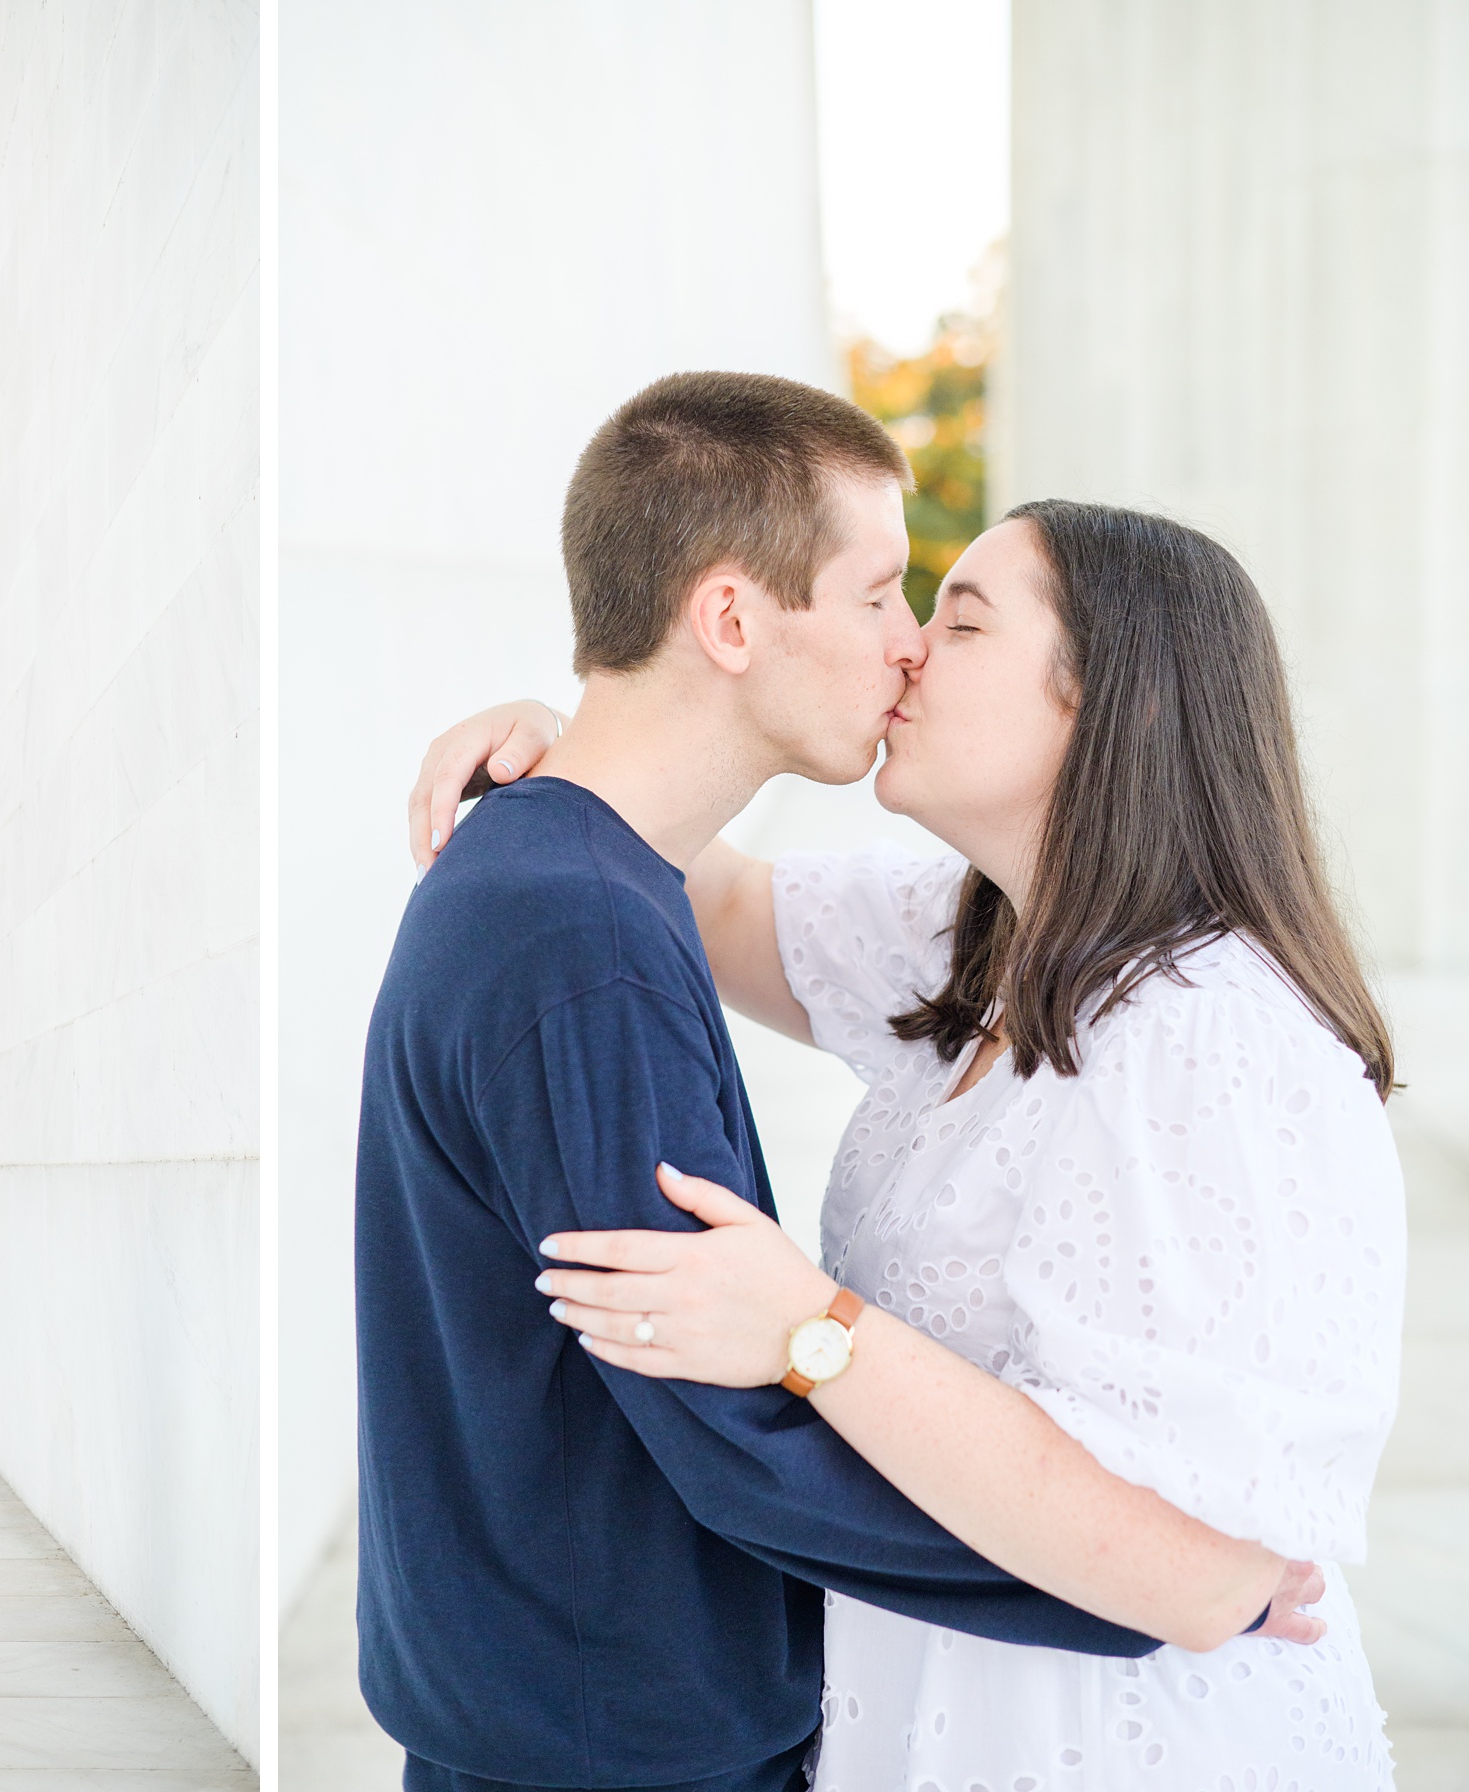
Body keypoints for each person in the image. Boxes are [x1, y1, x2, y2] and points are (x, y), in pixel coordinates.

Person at [356, 371, 1324, 1792]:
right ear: (734, 619)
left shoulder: (586, 887)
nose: (908, 649)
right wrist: (1164, 1594)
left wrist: (556, 753)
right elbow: (733, 1436)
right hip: (610, 1747)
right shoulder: (578, 934)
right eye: (881, 596)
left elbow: (732, 897)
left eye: (943, 615)